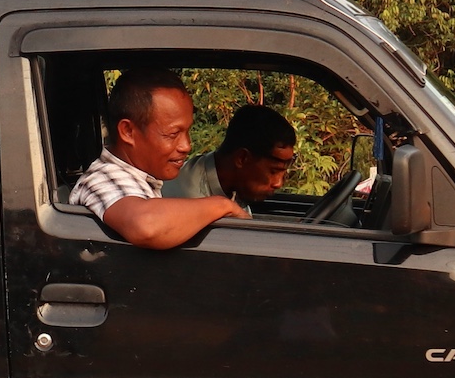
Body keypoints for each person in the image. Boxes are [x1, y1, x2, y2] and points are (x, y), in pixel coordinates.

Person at [69, 67, 248, 250]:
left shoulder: (141, 179)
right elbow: (145, 226)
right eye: (173, 134)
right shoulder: (102, 178)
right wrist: (221, 205)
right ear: (128, 132)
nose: (186, 145)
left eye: (187, 131)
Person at [163, 104, 298, 207]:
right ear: (242, 158)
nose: (278, 183)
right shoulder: (187, 200)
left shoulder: (234, 189)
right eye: (273, 171)